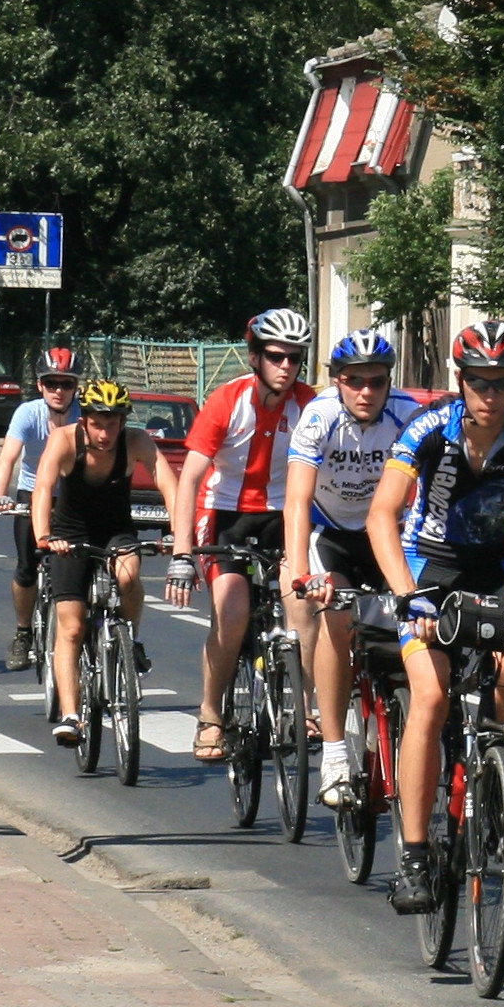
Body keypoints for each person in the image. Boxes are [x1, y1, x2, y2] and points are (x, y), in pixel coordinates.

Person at [365, 319, 504, 914]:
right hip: (427, 566)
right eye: (480, 382)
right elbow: (382, 516)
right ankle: (412, 857)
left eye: (503, 382)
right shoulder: (429, 427)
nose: (490, 395)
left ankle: (495, 780)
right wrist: (406, 594)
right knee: (432, 696)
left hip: (495, 565)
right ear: (460, 381)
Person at [167, 309, 317, 764]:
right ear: (254, 357)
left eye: (295, 358)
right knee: (232, 610)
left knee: (302, 601)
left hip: (283, 514)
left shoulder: (309, 404)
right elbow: (190, 479)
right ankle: (211, 715)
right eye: (275, 356)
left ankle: (306, 709)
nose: (286, 366)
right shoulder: (227, 401)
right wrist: (181, 553)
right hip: (226, 514)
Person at [283, 330, 421, 807]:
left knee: (413, 622)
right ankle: (336, 752)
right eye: (353, 380)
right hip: (333, 533)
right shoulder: (318, 416)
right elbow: (297, 500)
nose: (366, 391)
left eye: (376, 381)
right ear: (336, 381)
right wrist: (302, 573)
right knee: (337, 621)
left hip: (388, 531)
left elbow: (427, 492)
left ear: (389, 382)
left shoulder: (408, 415)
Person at [33, 381, 180, 748]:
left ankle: (131, 640)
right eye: (97, 424)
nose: (104, 433)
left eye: (112, 424)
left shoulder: (136, 442)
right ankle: (71, 714)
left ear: (123, 422)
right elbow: (42, 487)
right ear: (84, 422)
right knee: (71, 628)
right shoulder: (65, 441)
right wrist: (45, 535)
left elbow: (167, 481)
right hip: (69, 534)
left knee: (129, 576)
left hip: (115, 530)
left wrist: (179, 535)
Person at [0, 347, 83, 671]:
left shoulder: (84, 417)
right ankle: (23, 633)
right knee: (27, 568)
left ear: (76, 388)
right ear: (40, 386)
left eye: (66, 384)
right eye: (51, 383)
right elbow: (8, 458)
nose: (59, 390)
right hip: (31, 493)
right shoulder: (27, 414)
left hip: (71, 495)